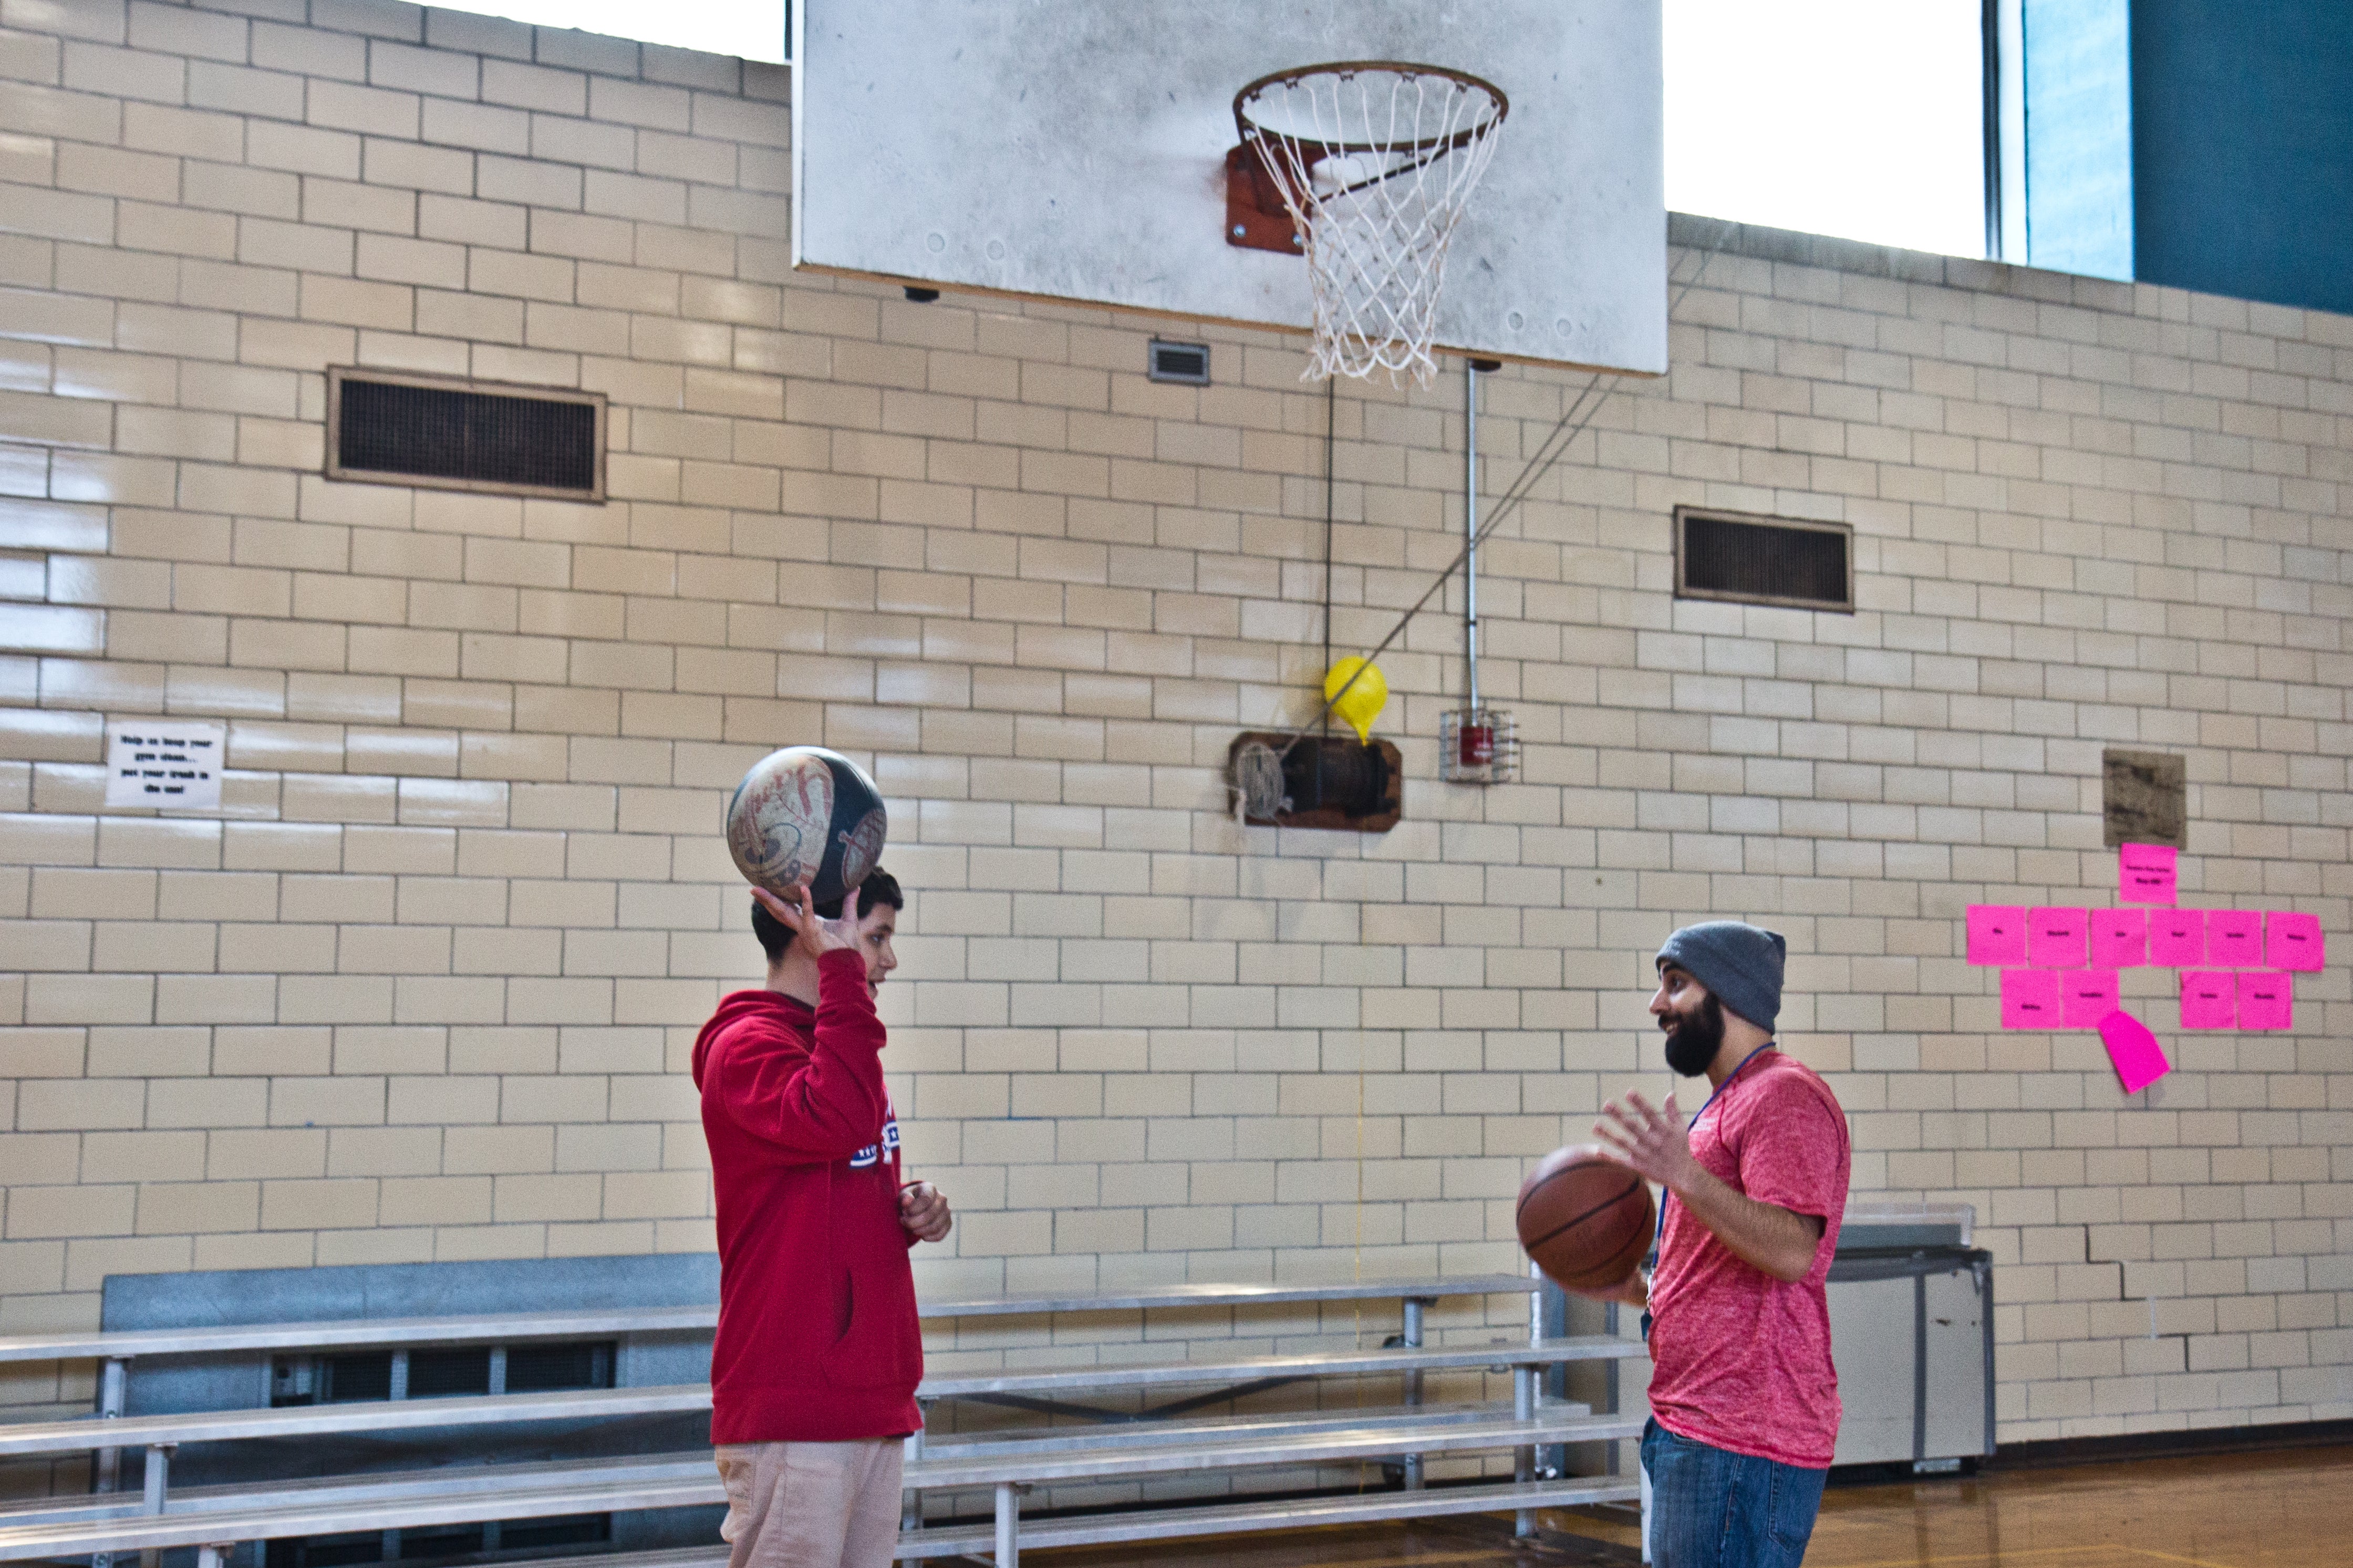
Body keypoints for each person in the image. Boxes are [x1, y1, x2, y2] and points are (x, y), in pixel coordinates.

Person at [691, 867, 953, 1568]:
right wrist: (841, 969)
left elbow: (836, 1173)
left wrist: (908, 1210)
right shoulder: (744, 1047)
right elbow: (833, 1119)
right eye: (876, 937)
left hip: (868, 1397)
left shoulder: (841, 1045)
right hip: (795, 1405)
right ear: (819, 934)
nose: (888, 959)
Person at [1591, 921, 1850, 1568]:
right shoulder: (1727, 1106)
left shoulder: (1782, 1096)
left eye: (1676, 984)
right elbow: (1715, 1276)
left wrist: (1682, 1174)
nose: (1658, 1005)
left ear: (1728, 992)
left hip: (1743, 1439)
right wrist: (1625, 1284)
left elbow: (1792, 1251)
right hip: (1696, 1426)